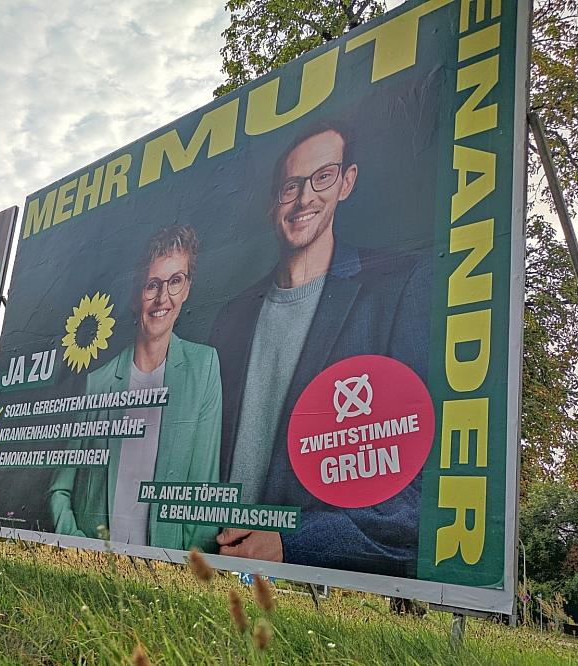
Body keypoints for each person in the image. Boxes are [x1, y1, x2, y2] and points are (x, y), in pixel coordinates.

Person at [209, 122, 430, 577]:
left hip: (305, 588)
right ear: (275, 201)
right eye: (291, 186)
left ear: (347, 182)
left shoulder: (398, 287)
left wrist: (294, 543)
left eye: (322, 177)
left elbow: (418, 494)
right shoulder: (232, 315)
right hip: (210, 559)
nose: (305, 198)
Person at [49, 225, 222, 552]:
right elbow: (60, 489)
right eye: (152, 285)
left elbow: (205, 494)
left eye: (175, 282)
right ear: (135, 295)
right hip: (94, 569)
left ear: (187, 289)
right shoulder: (97, 382)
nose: (163, 298)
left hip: (166, 575)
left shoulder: (204, 367)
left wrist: (186, 580)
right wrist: (80, 550)